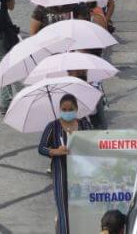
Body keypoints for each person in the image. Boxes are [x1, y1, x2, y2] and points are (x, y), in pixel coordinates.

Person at [38, 93, 94, 234]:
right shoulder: (53, 126)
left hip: (82, 174)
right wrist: (55, 151)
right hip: (61, 172)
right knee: (64, 211)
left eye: (71, 109)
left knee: (82, 209)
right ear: (59, 109)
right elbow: (41, 148)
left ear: (76, 109)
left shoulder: (84, 124)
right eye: (64, 109)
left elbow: (93, 142)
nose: (67, 112)